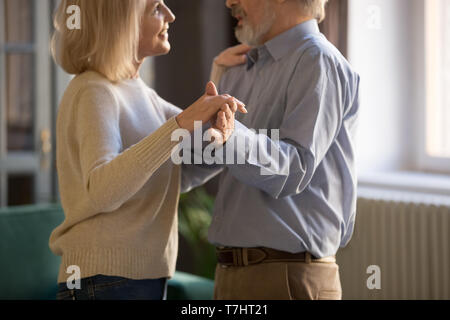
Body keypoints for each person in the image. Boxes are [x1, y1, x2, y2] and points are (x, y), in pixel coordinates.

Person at [49, 0, 247, 300]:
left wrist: (220, 82)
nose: (171, 15)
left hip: (139, 278)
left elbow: (180, 170)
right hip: (105, 280)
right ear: (122, 23)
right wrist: (181, 123)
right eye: (156, 8)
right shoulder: (93, 90)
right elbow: (101, 189)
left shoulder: (144, 95)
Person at [200, 0, 361, 300]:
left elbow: (294, 169)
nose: (229, 2)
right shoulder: (237, 69)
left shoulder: (319, 60)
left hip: (288, 277)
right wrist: (214, 88)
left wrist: (231, 135)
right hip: (230, 276)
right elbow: (203, 162)